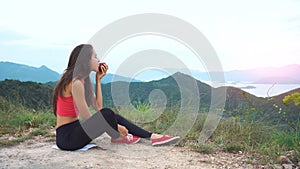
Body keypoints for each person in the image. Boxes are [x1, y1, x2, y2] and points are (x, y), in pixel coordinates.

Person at [52, 44, 180, 151]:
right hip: (67, 138)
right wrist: (116, 127)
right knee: (108, 114)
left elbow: (98, 107)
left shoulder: (83, 81)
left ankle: (152, 136)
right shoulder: (75, 83)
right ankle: (118, 137)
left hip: (75, 130)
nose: (98, 59)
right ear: (86, 60)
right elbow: (87, 117)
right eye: (95, 56)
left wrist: (98, 80)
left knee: (111, 114)